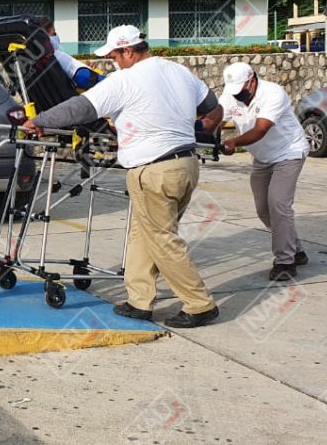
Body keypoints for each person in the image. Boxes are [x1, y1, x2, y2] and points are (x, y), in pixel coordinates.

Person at [22, 25, 224, 328]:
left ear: (128, 51)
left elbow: (81, 108)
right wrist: (200, 129)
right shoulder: (179, 72)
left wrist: (39, 121)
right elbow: (214, 108)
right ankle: (139, 300)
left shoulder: (124, 80)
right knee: (143, 234)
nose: (114, 61)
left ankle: (200, 304)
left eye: (115, 55)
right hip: (186, 163)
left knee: (161, 238)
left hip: (152, 169)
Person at [218, 62, 310, 281]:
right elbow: (217, 118)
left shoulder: (272, 93)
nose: (237, 95)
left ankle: (285, 261)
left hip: (288, 152)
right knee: (263, 209)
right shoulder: (231, 94)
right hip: (262, 156)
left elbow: (261, 129)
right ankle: (296, 249)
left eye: (241, 89)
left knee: (278, 203)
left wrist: (234, 143)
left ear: (252, 80)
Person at [39, 17, 105, 91]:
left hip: (82, 73)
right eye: (54, 33)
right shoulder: (52, 54)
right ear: (46, 36)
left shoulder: (52, 54)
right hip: (82, 75)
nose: (56, 36)